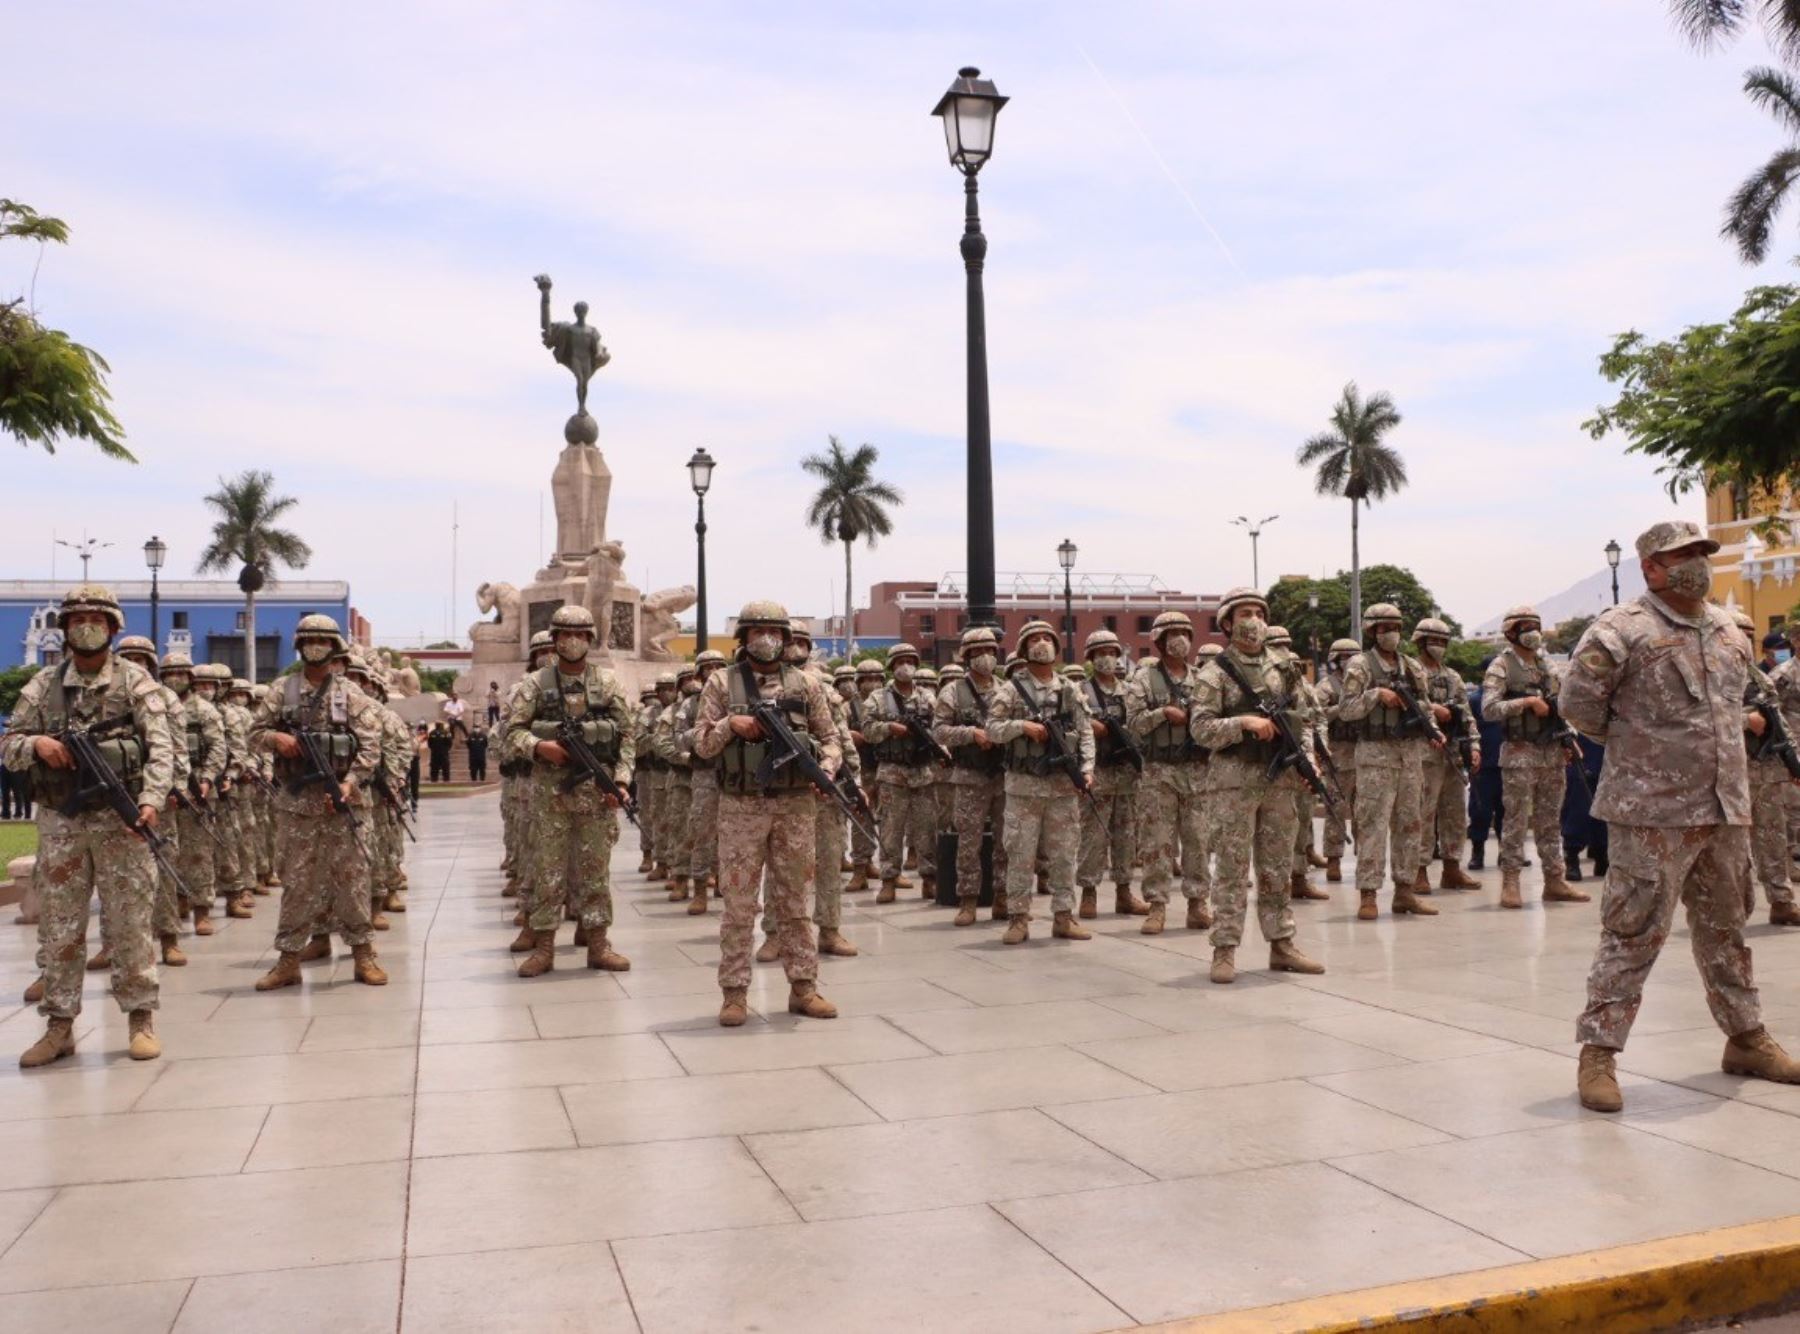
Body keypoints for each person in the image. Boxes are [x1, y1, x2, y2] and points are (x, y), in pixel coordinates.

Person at [1567, 520, 1800, 1112]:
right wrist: (1644, 749)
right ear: (1651, 567)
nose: (1697, 562)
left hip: (1726, 806)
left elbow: (1740, 706)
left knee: (1728, 927)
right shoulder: (1621, 630)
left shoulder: (1728, 630)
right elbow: (1578, 706)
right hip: (1652, 811)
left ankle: (1745, 1038)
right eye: (1684, 555)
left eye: (1703, 552)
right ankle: (1598, 1054)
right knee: (1633, 930)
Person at [2, 585, 175, 1065]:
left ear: (114, 627)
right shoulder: (43, 685)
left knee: (130, 924)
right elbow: (9, 742)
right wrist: (37, 744)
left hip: (123, 823)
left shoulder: (136, 683)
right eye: (76, 618)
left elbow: (162, 748)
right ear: (64, 629)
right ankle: (59, 1027)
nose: (86, 625)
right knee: (61, 927)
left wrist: (151, 800)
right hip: (63, 823)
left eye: (95, 618)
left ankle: (140, 1018)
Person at [692, 601, 839, 1025]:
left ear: (788, 639)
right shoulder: (722, 683)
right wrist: (729, 726)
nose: (766, 639)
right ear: (744, 637)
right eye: (757, 631)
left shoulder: (807, 684)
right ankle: (735, 993)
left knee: (794, 900)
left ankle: (803, 987)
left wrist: (825, 770)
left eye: (774, 631)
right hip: (742, 806)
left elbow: (830, 738)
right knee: (739, 903)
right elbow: (700, 744)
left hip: (795, 805)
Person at [1189, 588, 1326, 982]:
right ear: (1228, 623)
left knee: (1277, 867)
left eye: (1259, 612)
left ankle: (1282, 944)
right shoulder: (1215, 672)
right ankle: (1225, 948)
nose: (1254, 620)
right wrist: (1242, 723)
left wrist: (1308, 763)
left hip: (1279, 780)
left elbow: (1306, 717)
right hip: (1233, 783)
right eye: (1245, 612)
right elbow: (1200, 729)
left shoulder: (1284, 666)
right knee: (1232, 868)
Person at [250, 613, 388, 991]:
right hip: (297, 805)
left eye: (323, 641)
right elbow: (254, 732)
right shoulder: (281, 691)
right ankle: (288, 960)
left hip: (344, 803)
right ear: (299, 646)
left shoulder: (352, 694)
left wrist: (350, 781)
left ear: (335, 648)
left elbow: (371, 746)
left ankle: (363, 955)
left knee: (353, 879)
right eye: (309, 640)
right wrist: (277, 740)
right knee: (296, 882)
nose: (316, 647)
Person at [502, 604, 634, 976]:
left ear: (590, 640)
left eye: (580, 635)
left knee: (595, 871)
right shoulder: (535, 684)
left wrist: (621, 781)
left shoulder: (607, 683)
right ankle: (544, 947)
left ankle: (598, 944)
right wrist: (538, 746)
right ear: (555, 639)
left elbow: (627, 735)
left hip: (597, 792)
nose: (572, 641)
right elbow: (511, 733)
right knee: (547, 870)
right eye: (564, 635)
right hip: (550, 793)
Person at [983, 620, 1095, 944]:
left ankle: (1064, 917)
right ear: (1023, 649)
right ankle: (1018, 918)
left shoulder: (1069, 689)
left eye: (1047, 638)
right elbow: (992, 728)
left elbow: (1086, 732)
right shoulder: (1011, 689)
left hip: (1062, 787)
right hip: (1023, 787)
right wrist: (1021, 726)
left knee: (1063, 854)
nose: (1042, 643)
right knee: (1020, 853)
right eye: (1035, 638)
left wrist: (1087, 769)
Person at [1337, 602, 1440, 920]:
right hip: (1375, 757)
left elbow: (1425, 706)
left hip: (1410, 756)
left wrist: (1434, 731)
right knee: (1372, 827)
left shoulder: (1412, 666)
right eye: (1384, 628)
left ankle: (1405, 891)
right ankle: (1368, 894)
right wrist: (1376, 695)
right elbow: (1346, 709)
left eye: (1395, 627)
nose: (1391, 634)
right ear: (1372, 631)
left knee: (1411, 825)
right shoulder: (1360, 665)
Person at [1482, 605, 1587, 909]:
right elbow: (1489, 709)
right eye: (1525, 627)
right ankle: (1511, 880)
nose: (1533, 633)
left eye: (1535, 626)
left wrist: (1570, 738)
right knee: (1515, 819)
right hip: (1519, 753)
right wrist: (1526, 702)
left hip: (1551, 753)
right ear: (1511, 632)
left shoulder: (1547, 666)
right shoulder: (1501, 666)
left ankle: (1555, 880)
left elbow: (1561, 705)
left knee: (1550, 820)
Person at [1124, 610, 1215, 935]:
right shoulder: (1144, 679)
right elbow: (1132, 724)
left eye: (1184, 632)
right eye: (1172, 632)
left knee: (1198, 840)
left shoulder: (1203, 678)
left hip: (1197, 770)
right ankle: (1157, 906)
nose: (1180, 639)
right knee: (1157, 842)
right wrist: (1162, 713)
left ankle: (1198, 904)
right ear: (1160, 641)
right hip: (1158, 772)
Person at [116, 636, 193, 969]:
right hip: (110, 798)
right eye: (128, 657)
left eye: (141, 658)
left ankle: (169, 939)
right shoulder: (107, 693)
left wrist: (170, 790)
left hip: (156, 796)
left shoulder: (165, 698)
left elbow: (177, 750)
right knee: (113, 875)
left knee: (162, 867)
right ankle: (112, 943)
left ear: (151, 663)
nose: (135, 664)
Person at [934, 627, 1010, 927]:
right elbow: (938, 731)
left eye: (989, 651)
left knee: (1007, 841)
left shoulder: (1006, 688)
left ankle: (1003, 898)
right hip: (968, 777)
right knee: (969, 843)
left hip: (1003, 776)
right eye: (977, 652)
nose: (985, 657)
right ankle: (967, 900)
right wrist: (971, 734)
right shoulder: (953, 691)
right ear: (966, 657)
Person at [1077, 630, 1151, 918]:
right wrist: (1088, 724)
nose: (1107, 657)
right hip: (1098, 771)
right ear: (1091, 658)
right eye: (1100, 653)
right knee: (1093, 836)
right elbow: (1071, 726)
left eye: (1111, 651)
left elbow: (1141, 724)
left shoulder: (1130, 690)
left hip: (1126, 773)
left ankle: (1124, 892)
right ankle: (1089, 893)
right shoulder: (1080, 691)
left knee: (1126, 835)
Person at [1734, 609, 1800, 927]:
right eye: (1739, 635)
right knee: (1735, 846)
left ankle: (1782, 901)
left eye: (1749, 636)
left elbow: (1778, 719)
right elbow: (1694, 718)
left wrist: (1793, 763)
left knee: (1773, 837)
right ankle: (1734, 906)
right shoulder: (1712, 676)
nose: (1744, 641)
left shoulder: (1757, 676)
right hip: (1733, 772)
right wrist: (1746, 720)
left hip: (1767, 769)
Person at [865, 643, 940, 905]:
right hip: (892, 773)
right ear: (892, 666)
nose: (905, 666)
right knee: (890, 829)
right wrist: (889, 728)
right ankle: (888, 880)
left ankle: (930, 879)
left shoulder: (928, 697)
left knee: (927, 829)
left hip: (922, 773)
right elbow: (868, 731)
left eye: (909, 660)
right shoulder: (877, 698)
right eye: (900, 661)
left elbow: (941, 729)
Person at [1411, 618, 1482, 892]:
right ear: (1420, 642)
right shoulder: (1411, 672)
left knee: (1454, 813)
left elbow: (1466, 714)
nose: (1439, 646)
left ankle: (1452, 868)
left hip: (1453, 753)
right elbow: (1407, 703)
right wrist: (1433, 709)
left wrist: (1474, 746)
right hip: (1423, 753)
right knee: (1423, 813)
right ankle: (1419, 871)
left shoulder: (1453, 677)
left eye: (1443, 641)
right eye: (1433, 641)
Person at [1266, 626, 1331, 903]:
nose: (1282, 650)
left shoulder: (1300, 684)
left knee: (1302, 821)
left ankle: (1299, 878)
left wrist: (1319, 753)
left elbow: (1316, 720)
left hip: (1301, 761)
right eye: (1276, 644)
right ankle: (1274, 884)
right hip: (1272, 764)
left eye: (1286, 644)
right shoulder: (1261, 680)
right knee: (1274, 829)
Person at [680, 650, 728, 916]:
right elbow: (678, 738)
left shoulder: (734, 699)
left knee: (732, 835)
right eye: (707, 667)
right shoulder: (690, 705)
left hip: (732, 773)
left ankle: (727, 885)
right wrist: (703, 731)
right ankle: (699, 890)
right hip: (704, 775)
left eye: (717, 666)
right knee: (703, 833)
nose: (712, 671)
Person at [1314, 638, 1362, 883]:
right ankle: (1333, 860)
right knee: (1335, 810)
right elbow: (1315, 717)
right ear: (1335, 660)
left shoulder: (1365, 682)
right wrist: (1341, 709)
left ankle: (1365, 860)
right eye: (1344, 657)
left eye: (1353, 656)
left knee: (1365, 812)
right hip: (1337, 756)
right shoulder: (1326, 686)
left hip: (1364, 754)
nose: (1349, 661)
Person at [1467, 663, 1507, 869]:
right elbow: (1468, 731)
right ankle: (1477, 852)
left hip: (1507, 765)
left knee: (1506, 811)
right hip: (1483, 766)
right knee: (1480, 811)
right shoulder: (1475, 700)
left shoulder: (1508, 699)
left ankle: (1506, 852)